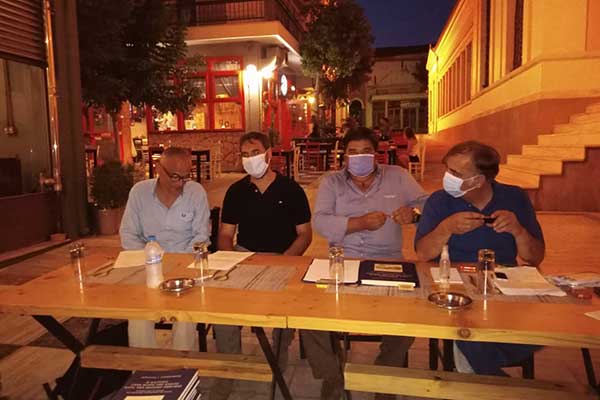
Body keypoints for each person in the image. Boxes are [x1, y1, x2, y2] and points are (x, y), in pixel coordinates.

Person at [216, 132, 341, 399]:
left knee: (308, 308)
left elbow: (304, 235)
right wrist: (236, 261)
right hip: (246, 257)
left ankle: (322, 371)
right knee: (222, 309)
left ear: (269, 153)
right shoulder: (236, 191)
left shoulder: (291, 190)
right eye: (245, 155)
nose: (250, 159)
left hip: (287, 258)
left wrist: (284, 260)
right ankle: (228, 369)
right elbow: (225, 235)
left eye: (255, 153)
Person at [313, 127, 428, 400]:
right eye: (352, 152)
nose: (359, 157)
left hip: (388, 261)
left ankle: (384, 376)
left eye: (366, 151)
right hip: (342, 261)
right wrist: (359, 223)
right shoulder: (332, 182)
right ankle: (331, 375)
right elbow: (320, 221)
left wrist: (413, 214)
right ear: (344, 156)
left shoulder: (398, 177)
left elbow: (430, 204)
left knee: (409, 316)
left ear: (377, 154)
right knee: (309, 317)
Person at [415, 140, 545, 376]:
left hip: (502, 286)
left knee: (542, 325)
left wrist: (518, 230)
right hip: (454, 287)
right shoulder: (439, 201)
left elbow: (535, 257)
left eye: (456, 173)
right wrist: (446, 228)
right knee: (465, 326)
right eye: (448, 169)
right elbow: (423, 254)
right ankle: (494, 380)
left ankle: (481, 370)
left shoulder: (514, 198)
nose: (448, 177)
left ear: (479, 180)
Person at [120, 146, 210, 351]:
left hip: (186, 266)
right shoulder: (139, 192)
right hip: (147, 265)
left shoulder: (195, 192)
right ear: (158, 168)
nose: (180, 184)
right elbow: (128, 234)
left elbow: (201, 236)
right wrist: (151, 260)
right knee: (138, 314)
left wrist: (178, 262)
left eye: (186, 177)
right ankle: (145, 365)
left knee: (185, 315)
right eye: (175, 176)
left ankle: (183, 366)